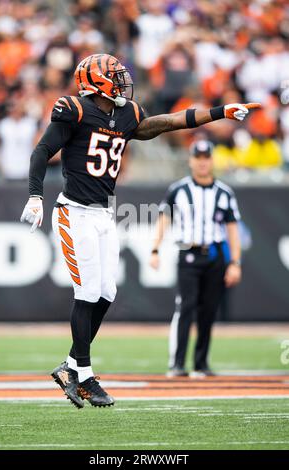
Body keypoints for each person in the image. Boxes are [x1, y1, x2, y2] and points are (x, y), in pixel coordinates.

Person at [20, 53, 259, 408]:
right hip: (74, 213)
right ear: (96, 81)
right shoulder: (75, 109)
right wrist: (36, 195)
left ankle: (71, 366)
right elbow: (42, 151)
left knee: (106, 292)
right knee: (87, 293)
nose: (121, 81)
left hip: (103, 214)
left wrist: (219, 111)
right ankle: (83, 374)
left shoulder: (127, 114)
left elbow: (167, 122)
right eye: (114, 76)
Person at [150, 140, 242, 378]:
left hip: (215, 256)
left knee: (209, 310)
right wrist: (155, 249)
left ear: (211, 160)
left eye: (206, 157)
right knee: (186, 307)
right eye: (198, 157)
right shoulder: (178, 189)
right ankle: (178, 363)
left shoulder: (224, 193)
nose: (202, 162)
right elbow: (164, 219)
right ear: (191, 160)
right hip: (188, 254)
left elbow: (233, 229)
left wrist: (234, 262)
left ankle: (201, 363)